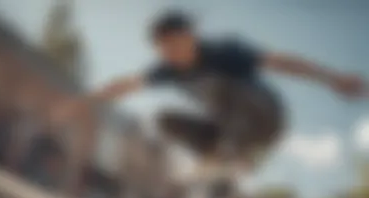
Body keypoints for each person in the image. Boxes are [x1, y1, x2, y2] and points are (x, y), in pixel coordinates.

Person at [57, 10, 367, 175]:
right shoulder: (167, 70)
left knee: (219, 85)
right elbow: (125, 85)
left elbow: (280, 62)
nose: (173, 54)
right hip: (226, 127)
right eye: (165, 50)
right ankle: (219, 168)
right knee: (164, 119)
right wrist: (84, 102)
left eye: (176, 44)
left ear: (190, 36)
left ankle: (234, 151)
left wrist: (332, 78)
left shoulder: (224, 50)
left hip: (264, 117)